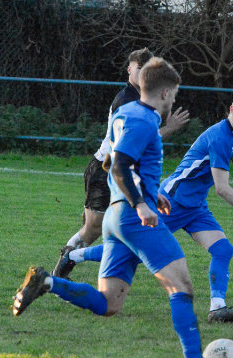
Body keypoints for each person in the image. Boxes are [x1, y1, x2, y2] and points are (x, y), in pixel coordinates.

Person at [12, 57, 233, 358]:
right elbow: (118, 166)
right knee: (181, 287)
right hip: (134, 217)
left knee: (108, 304)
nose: (173, 101)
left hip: (117, 217)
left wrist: (151, 193)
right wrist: (141, 204)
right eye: (174, 94)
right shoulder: (143, 121)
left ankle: (46, 282)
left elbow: (115, 162)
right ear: (164, 93)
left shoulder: (128, 113)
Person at [55, 89, 233, 324]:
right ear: (232, 110)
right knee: (133, 252)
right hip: (172, 202)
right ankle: (73, 255)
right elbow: (222, 188)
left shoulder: (230, 135)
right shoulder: (221, 137)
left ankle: (217, 308)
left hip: (195, 207)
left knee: (223, 249)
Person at [52, 48, 189, 277]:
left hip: (120, 169)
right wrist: (170, 128)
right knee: (94, 229)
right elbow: (131, 146)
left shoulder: (144, 100)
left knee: (117, 227)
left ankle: (105, 274)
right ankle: (60, 271)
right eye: (139, 69)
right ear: (129, 70)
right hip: (105, 168)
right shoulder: (126, 100)